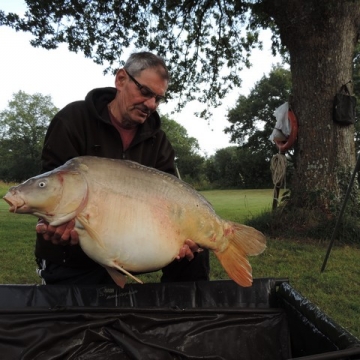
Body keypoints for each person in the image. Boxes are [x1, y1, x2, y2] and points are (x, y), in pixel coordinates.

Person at [35, 51, 210, 285]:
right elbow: (51, 188)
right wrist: (53, 224)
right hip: (74, 257)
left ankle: (180, 317)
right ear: (121, 79)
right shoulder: (73, 121)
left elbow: (173, 201)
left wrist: (183, 238)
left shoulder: (158, 142)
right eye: (145, 92)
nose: (151, 104)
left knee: (197, 253)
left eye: (158, 99)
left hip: (133, 247)